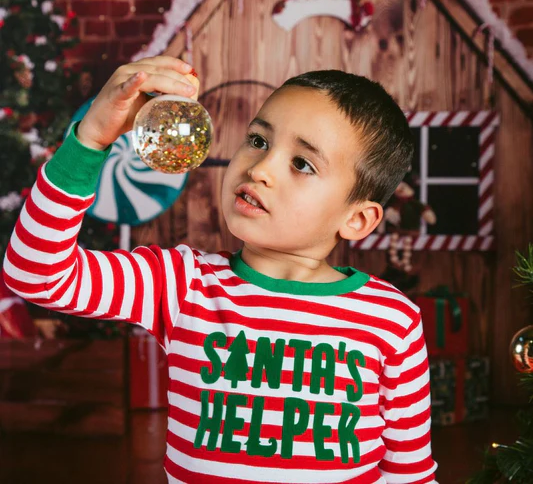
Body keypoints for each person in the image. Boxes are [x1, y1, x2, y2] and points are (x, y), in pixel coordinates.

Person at [3, 56, 438, 483]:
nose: (260, 168)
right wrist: (92, 140)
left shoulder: (392, 320)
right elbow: (36, 275)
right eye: (258, 141)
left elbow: (410, 474)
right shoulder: (181, 283)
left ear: (356, 219)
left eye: (302, 163)